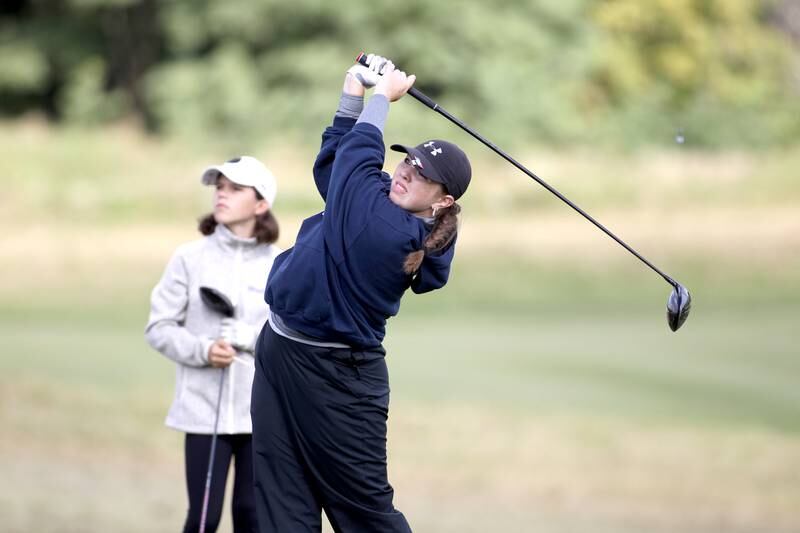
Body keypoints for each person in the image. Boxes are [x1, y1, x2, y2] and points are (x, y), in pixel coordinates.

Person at [251, 55, 472, 532]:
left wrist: (379, 100)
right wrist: (352, 91)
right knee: (279, 497)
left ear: (443, 201)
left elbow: (355, 158)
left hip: (337, 376)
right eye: (406, 160)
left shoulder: (393, 231)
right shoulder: (372, 197)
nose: (405, 172)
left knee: (364, 514)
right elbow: (335, 168)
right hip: (281, 351)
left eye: (421, 174)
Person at [145, 156, 282, 533]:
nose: (221, 195)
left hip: (261, 414)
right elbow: (158, 327)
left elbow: (287, 338)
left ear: (261, 204)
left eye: (235, 189)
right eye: (219, 187)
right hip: (203, 413)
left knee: (252, 516)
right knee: (203, 518)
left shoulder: (280, 264)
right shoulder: (189, 258)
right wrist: (203, 350)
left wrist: (248, 341)